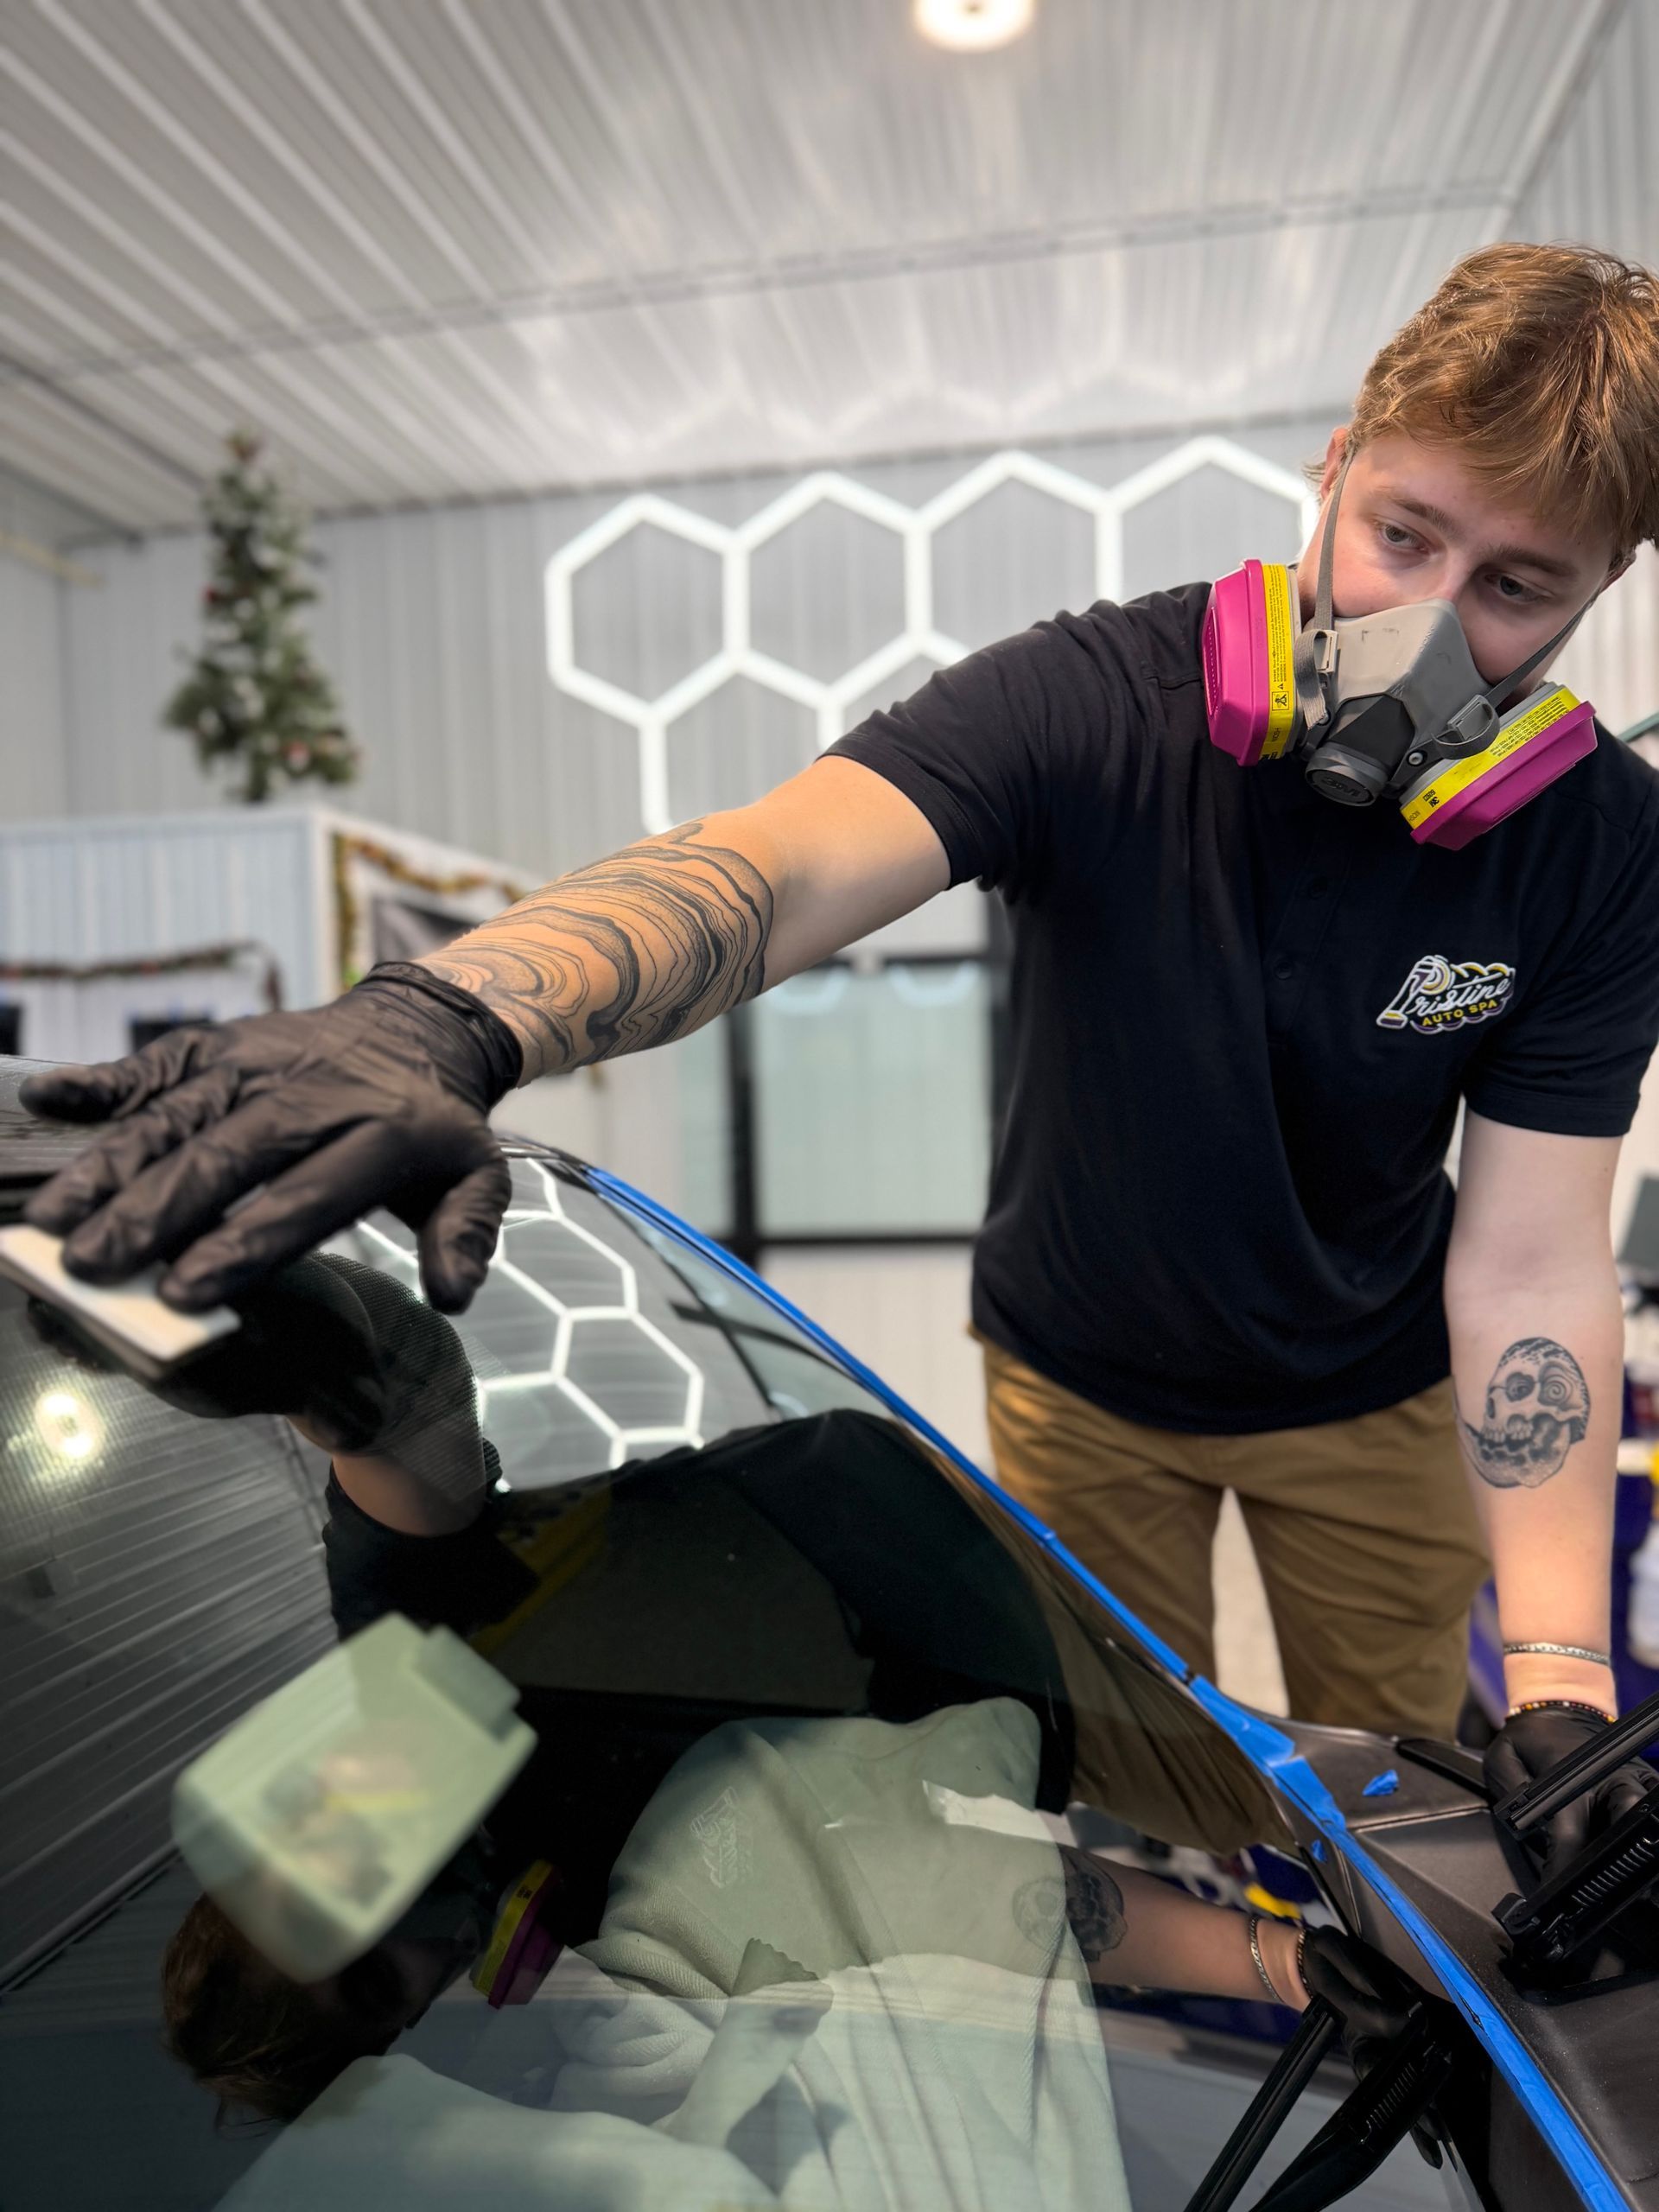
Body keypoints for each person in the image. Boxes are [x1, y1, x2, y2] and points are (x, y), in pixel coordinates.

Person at [22, 243, 1659, 1866]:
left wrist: (1568, 1681)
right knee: (1127, 1766)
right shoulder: (1101, 699)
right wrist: (450, 1015)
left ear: (1602, 590)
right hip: (1078, 1376)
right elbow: (781, 864)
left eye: (1516, 588)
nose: (1427, 626)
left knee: (1402, 1805)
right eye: (1401, 536)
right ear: (1332, 476)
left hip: (1375, 1396)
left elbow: (1526, 1267)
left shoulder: (1596, 849)